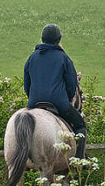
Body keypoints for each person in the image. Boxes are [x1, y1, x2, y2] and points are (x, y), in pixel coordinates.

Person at [23, 23, 87, 160]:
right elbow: (72, 85)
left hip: (34, 103)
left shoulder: (32, 57)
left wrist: (32, 99)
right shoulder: (64, 58)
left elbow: (27, 83)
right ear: (58, 39)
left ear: (42, 39)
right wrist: (67, 100)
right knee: (81, 126)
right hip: (59, 103)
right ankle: (81, 160)